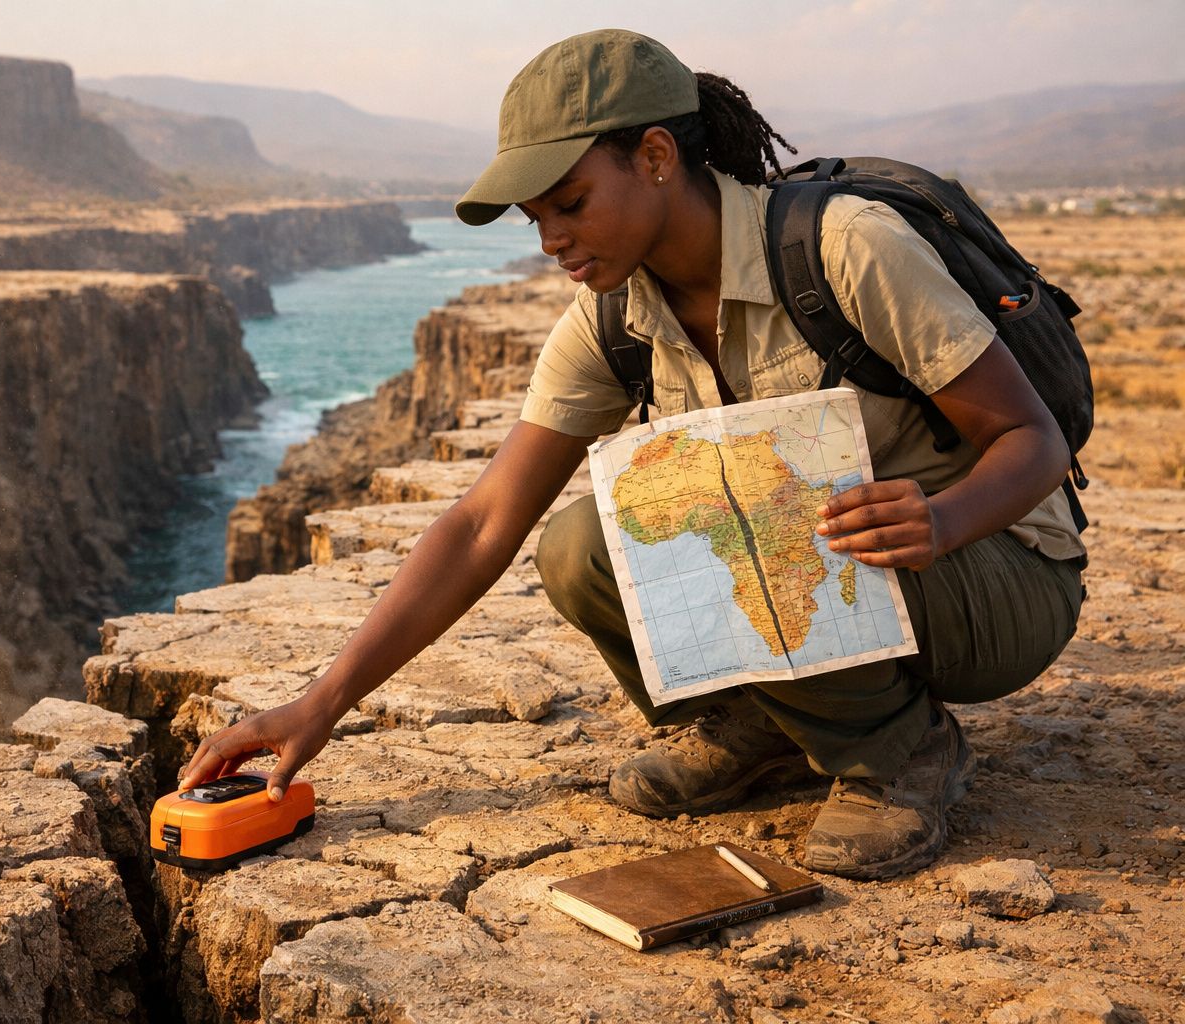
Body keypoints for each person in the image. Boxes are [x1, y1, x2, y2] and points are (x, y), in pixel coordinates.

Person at [180, 29, 1086, 880]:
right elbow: (484, 522)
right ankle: (762, 726)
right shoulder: (615, 316)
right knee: (582, 545)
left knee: (760, 513)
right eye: (535, 219)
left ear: (655, 158)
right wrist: (320, 703)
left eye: (570, 204)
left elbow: (1033, 439)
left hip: (990, 576)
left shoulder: (845, 248)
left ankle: (901, 752)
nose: (552, 241)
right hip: (839, 576)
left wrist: (942, 518)